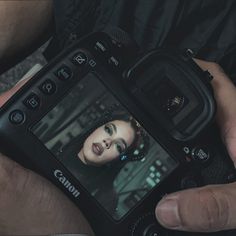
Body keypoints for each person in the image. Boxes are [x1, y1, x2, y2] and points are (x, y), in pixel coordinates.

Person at [1, 0, 236, 235]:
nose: (107, 142)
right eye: (110, 131)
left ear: (120, 158)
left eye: (119, 145)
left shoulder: (109, 198)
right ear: (98, 127)